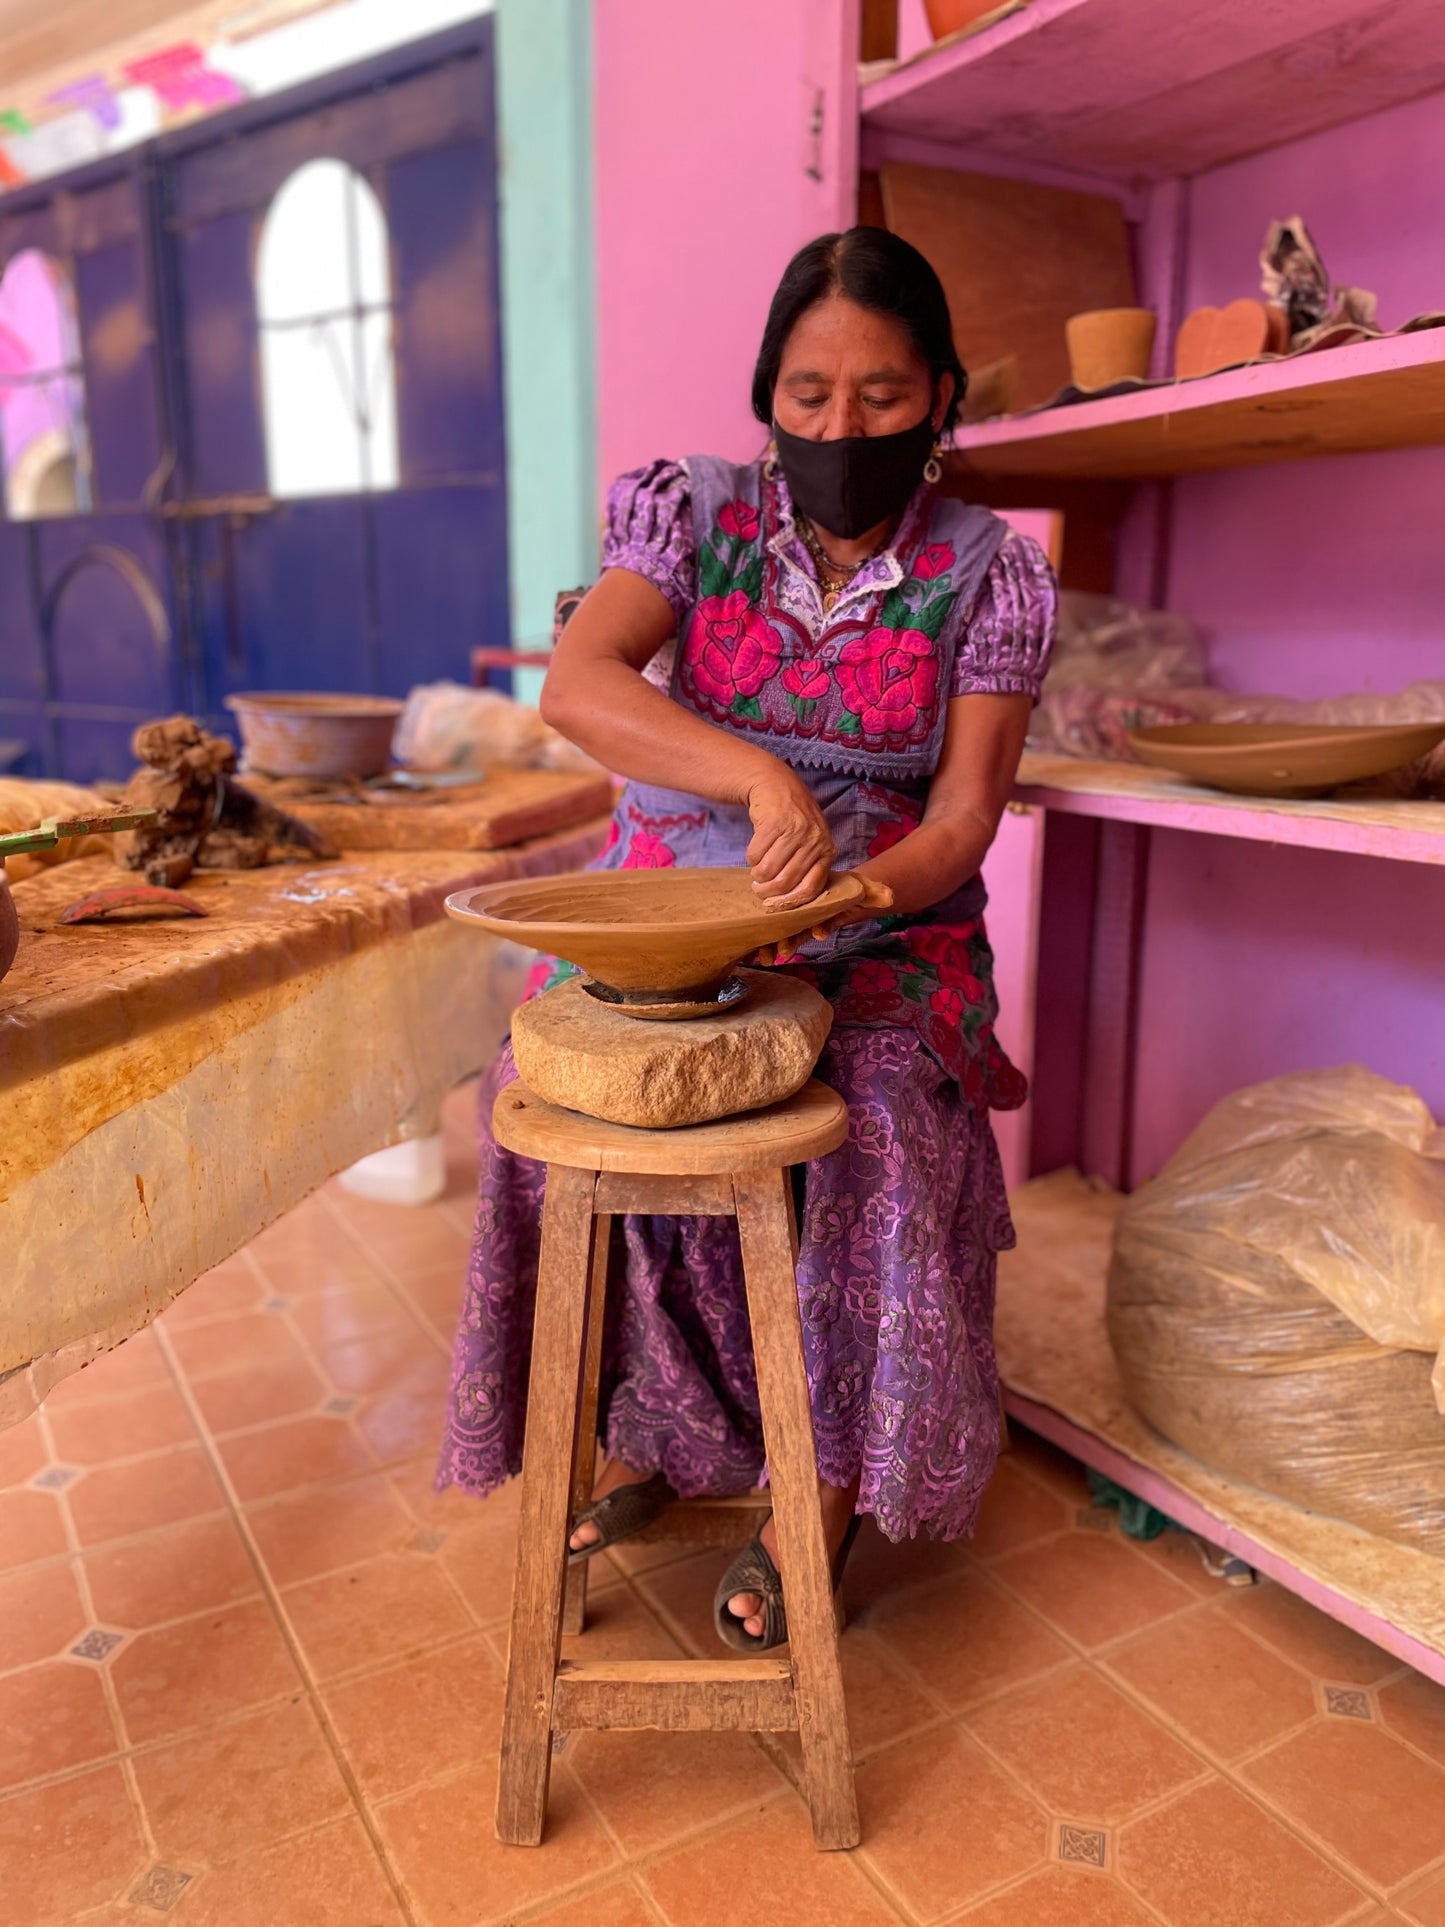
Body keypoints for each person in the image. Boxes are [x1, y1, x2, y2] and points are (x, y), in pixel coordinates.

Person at [437, 226, 1056, 1651]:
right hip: (673, 908)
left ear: (940, 397)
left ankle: (814, 1492)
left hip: (883, 926)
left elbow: (964, 817)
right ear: (766, 393)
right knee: (562, 1088)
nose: (840, 429)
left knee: (875, 1116)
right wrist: (756, 776)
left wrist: (851, 899)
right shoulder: (690, 515)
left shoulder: (990, 572)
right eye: (808, 395)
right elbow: (579, 684)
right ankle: (661, 1432)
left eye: (880, 397)